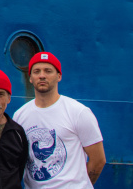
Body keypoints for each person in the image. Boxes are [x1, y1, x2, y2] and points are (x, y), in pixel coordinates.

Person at [13, 52, 106, 188]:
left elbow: (98, 160)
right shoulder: (19, 116)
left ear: (59, 76)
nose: (42, 75)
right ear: (30, 78)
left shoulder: (78, 112)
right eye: (37, 71)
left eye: (48, 71)